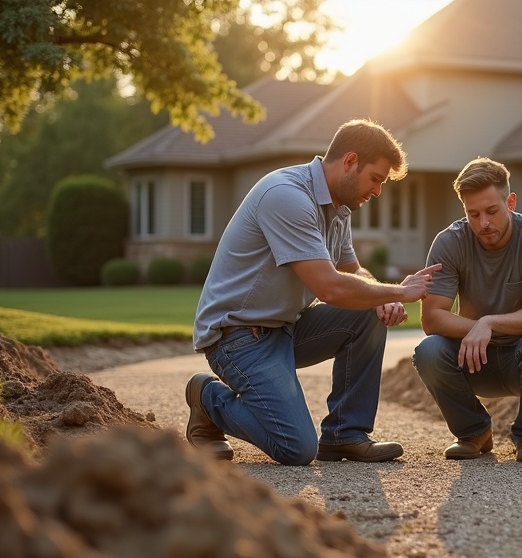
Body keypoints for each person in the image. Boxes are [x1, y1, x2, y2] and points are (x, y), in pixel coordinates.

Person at [186, 119, 440, 465]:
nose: (378, 191)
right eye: (375, 178)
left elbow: (354, 273)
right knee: (296, 448)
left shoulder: (339, 208)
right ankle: (206, 398)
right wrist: (401, 291)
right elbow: (329, 287)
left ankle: (345, 435)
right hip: (239, 338)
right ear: (350, 161)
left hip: (286, 329)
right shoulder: (286, 196)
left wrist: (385, 298)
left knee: (368, 314)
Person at [412, 157, 522, 464]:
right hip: (475, 358)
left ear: (510, 202)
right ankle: (473, 432)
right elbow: (431, 318)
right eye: (473, 214)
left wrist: (488, 323)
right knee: (428, 351)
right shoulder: (449, 242)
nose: (483, 223)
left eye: (492, 211)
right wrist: (478, 328)